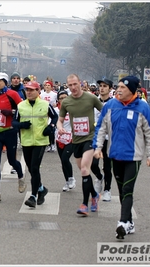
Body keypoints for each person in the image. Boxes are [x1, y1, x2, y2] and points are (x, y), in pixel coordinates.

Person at [93, 75, 150, 239]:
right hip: (115, 154)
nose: (119, 90)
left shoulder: (142, 107)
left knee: (128, 188)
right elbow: (101, 128)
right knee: (122, 190)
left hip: (133, 157)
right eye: (119, 87)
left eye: (123, 88)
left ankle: (122, 222)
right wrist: (98, 147)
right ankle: (129, 222)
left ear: (132, 90)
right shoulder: (111, 106)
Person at [57, 73, 102, 216]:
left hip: (90, 138)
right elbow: (60, 119)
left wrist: (101, 130)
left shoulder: (91, 98)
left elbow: (105, 112)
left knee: (84, 169)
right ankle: (94, 195)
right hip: (76, 140)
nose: (73, 87)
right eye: (70, 85)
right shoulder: (66, 102)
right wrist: (60, 127)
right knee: (84, 172)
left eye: (75, 84)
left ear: (80, 83)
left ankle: (84, 204)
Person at [13, 81, 58, 207]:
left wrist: (51, 126)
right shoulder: (21, 106)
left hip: (40, 141)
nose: (29, 92)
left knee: (34, 167)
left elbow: (54, 117)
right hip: (26, 141)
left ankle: (33, 196)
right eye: (27, 90)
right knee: (31, 169)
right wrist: (21, 125)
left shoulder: (45, 104)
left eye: (32, 90)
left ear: (38, 91)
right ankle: (42, 189)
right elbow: (14, 123)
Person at [0, 72, 25, 202]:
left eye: (0, 80)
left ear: (5, 83)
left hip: (10, 132)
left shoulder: (12, 94)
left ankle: (20, 177)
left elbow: (23, 109)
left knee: (12, 160)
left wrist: (11, 112)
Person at [92, 79, 114, 201]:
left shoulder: (114, 103)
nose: (102, 88)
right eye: (100, 86)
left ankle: (107, 190)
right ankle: (99, 177)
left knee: (107, 166)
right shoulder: (94, 101)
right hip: (96, 137)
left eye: (105, 86)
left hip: (108, 138)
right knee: (93, 163)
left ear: (110, 88)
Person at [54, 90, 76, 192]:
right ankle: (67, 181)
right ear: (58, 100)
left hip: (71, 138)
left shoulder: (73, 109)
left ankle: (71, 179)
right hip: (59, 138)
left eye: (65, 97)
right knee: (63, 162)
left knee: (65, 158)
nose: (63, 100)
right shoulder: (56, 110)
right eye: (61, 98)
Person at [40, 80, 57, 152]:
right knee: (45, 128)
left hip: (52, 112)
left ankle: (52, 144)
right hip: (44, 113)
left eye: (48, 85)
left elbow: (57, 102)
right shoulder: (42, 94)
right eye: (46, 85)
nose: (47, 87)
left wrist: (55, 105)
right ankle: (48, 144)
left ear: (51, 87)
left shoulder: (54, 94)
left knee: (51, 129)